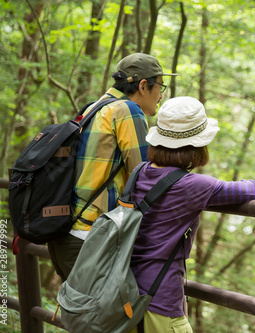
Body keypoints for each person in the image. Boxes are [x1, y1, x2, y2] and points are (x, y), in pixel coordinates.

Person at [129, 96, 255, 333]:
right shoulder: (194, 185)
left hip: (125, 293)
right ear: (197, 145)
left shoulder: (139, 171)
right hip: (159, 301)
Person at [48, 53, 177, 281]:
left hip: (68, 231)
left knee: (82, 314)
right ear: (144, 85)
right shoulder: (127, 110)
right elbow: (145, 175)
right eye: (161, 86)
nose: (161, 95)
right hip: (91, 237)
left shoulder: (93, 107)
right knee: (112, 315)